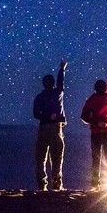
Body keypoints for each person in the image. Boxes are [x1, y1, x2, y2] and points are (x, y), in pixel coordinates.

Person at [80, 63, 107, 190]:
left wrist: (95, 123)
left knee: (96, 158)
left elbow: (83, 116)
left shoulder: (91, 100)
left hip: (96, 132)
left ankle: (95, 184)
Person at [33, 60, 67, 191]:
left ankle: (41, 183)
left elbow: (36, 114)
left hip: (42, 128)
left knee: (41, 158)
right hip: (55, 128)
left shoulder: (39, 97)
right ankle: (56, 183)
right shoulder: (57, 93)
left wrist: (45, 117)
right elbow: (61, 82)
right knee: (57, 156)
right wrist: (62, 69)